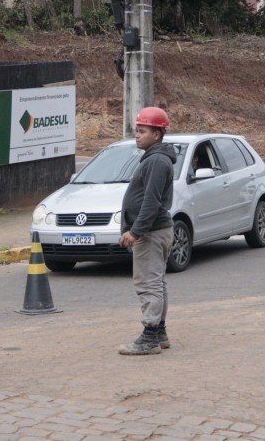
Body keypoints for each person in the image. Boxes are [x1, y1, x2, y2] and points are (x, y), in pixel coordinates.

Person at [118, 106, 176, 355]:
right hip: (156, 230)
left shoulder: (156, 161)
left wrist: (136, 231)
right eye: (137, 131)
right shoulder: (156, 159)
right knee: (157, 282)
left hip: (151, 232)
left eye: (142, 131)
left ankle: (150, 337)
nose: (137, 135)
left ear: (157, 134)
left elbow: (151, 201)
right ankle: (159, 332)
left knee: (148, 284)